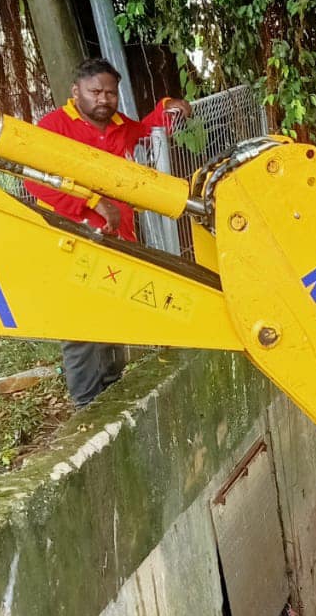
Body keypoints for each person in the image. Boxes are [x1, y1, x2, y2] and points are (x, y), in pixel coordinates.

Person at [24, 57, 191, 406]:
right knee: (81, 326)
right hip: (72, 241)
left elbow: (148, 135)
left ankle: (112, 390)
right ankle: (86, 406)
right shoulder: (53, 127)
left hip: (118, 242)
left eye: (110, 93)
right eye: (95, 91)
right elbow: (36, 181)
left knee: (115, 316)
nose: (103, 99)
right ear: (76, 92)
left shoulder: (118, 125)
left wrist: (168, 109)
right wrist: (91, 201)